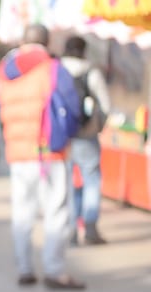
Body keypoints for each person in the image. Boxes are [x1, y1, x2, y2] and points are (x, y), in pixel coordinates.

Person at [0, 24, 86, 290]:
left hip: (18, 151)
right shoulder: (52, 67)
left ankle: (24, 268)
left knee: (22, 212)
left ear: (23, 41)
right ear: (47, 42)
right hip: (50, 151)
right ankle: (54, 270)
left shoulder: (5, 70)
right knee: (56, 210)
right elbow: (72, 106)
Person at [61, 35, 111, 245]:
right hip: (87, 136)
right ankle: (90, 227)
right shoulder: (91, 72)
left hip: (64, 137)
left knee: (69, 183)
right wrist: (97, 126)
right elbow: (106, 106)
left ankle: (71, 230)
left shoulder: (57, 70)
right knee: (91, 180)